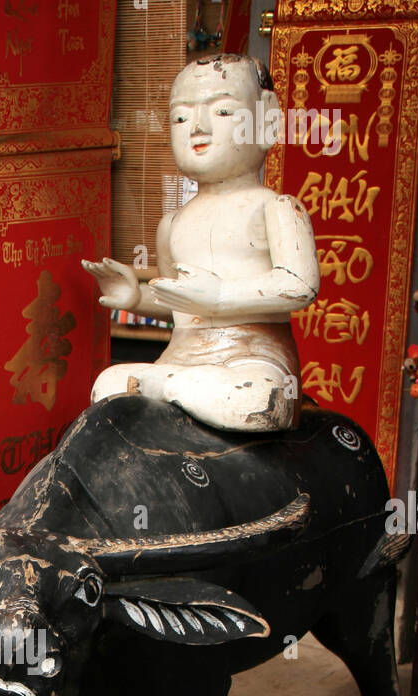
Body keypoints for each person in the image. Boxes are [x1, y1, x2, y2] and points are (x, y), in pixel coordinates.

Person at [83, 53, 320, 432]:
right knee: (106, 385)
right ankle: (173, 384)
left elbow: (300, 284)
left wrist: (223, 294)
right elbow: (183, 299)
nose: (198, 127)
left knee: (257, 397)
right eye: (181, 117)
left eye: (223, 112)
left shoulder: (275, 207)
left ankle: (170, 387)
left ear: (267, 120)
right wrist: (137, 299)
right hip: (182, 353)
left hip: (251, 355)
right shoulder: (173, 223)